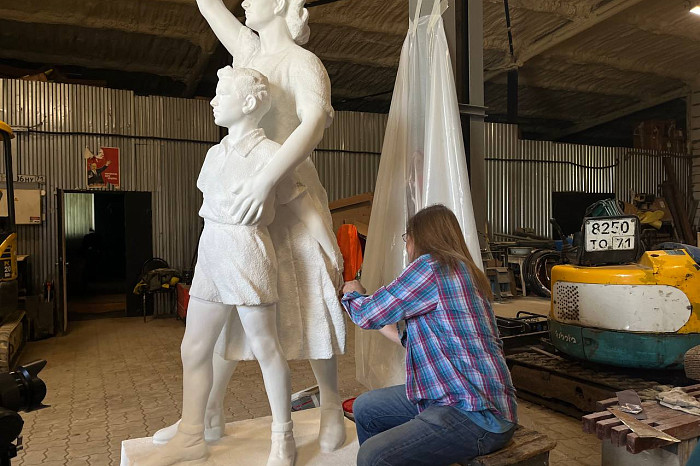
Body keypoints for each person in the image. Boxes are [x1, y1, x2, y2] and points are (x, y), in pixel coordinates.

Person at [152, 0, 347, 455]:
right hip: (244, 197)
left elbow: (313, 125)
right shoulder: (248, 52)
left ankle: (331, 405)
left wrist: (265, 180)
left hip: (288, 189)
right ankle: (204, 414)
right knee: (226, 311)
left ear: (278, 5)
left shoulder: (303, 63)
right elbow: (209, 7)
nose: (243, 3)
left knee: (310, 301)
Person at [342, 205, 518, 466]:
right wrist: (376, 314)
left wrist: (352, 293)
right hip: (458, 396)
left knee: (373, 455)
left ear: (417, 238)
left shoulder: (431, 268)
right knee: (366, 407)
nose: (406, 246)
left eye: (407, 238)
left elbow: (368, 313)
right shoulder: (464, 270)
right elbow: (409, 336)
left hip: (476, 413)